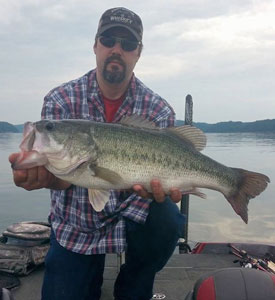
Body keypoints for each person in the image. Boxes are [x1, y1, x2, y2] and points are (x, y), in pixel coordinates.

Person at [9, 7, 185, 300]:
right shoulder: (61, 100)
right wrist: (48, 177)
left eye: (127, 44)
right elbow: (66, 177)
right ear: (95, 45)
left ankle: (135, 280)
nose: (117, 49)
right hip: (78, 227)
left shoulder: (159, 109)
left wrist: (165, 189)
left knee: (167, 218)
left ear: (138, 53)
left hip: (134, 219)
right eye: (108, 40)